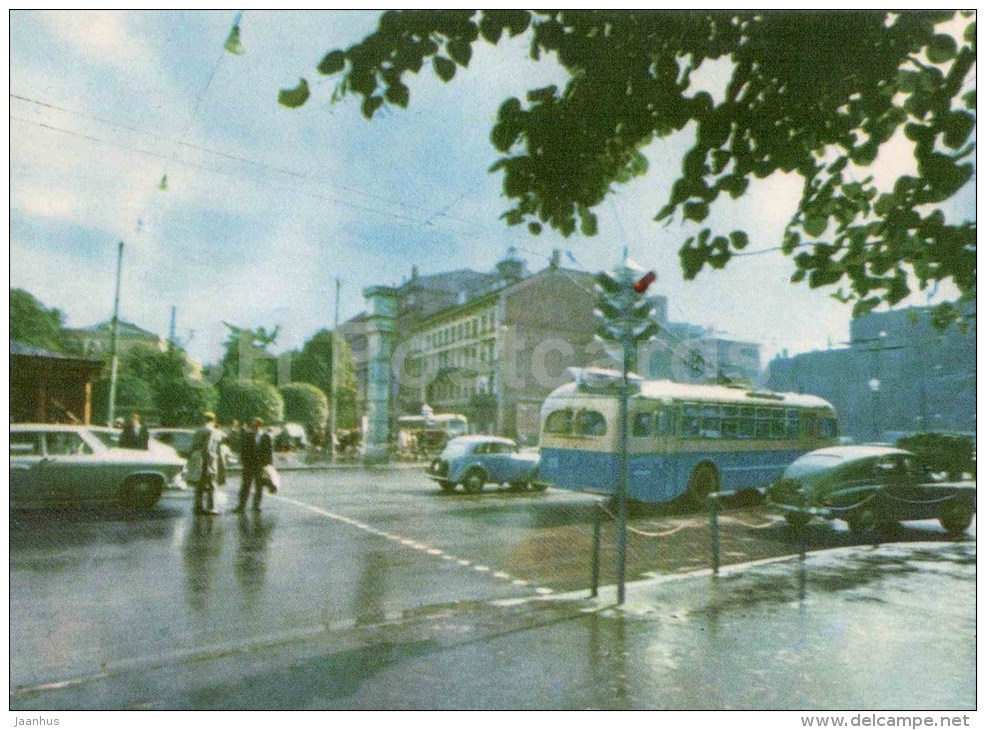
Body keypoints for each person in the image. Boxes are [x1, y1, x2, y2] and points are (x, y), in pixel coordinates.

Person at [234, 417, 274, 513]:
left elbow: (269, 451)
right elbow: (243, 450)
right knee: (245, 486)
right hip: (248, 465)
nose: (253, 425)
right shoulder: (247, 435)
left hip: (260, 465)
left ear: (260, 425)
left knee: (259, 487)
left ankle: (256, 506)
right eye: (253, 424)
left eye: (255, 424)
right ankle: (241, 506)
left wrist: (268, 464)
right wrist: (243, 461)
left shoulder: (266, 436)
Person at [190, 411, 224, 516]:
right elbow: (210, 448)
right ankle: (211, 507)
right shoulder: (213, 431)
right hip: (209, 459)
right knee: (211, 484)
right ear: (213, 420)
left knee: (199, 484)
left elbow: (193, 445)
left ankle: (198, 506)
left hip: (199, 459)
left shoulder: (199, 430)